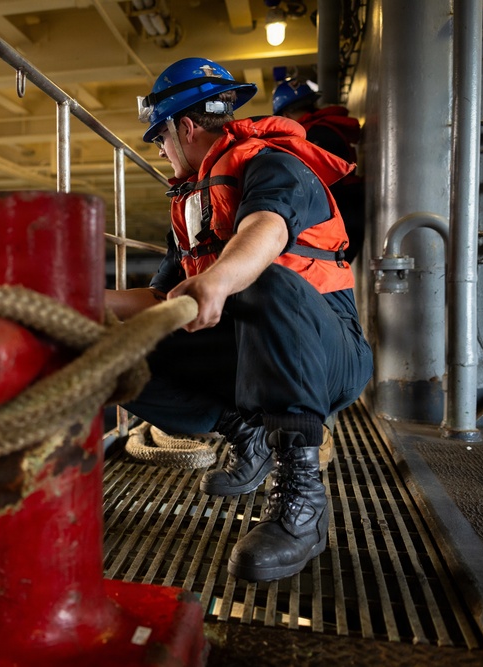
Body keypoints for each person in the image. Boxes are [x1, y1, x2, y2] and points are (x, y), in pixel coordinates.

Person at [107, 58, 373, 582]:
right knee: (108, 354)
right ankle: (246, 432)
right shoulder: (192, 203)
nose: (159, 151)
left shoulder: (272, 164)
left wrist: (221, 279)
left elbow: (266, 232)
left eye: (159, 138)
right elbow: (162, 297)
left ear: (183, 127)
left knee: (264, 278)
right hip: (251, 352)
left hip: (326, 354)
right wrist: (85, 302)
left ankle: (302, 502)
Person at [272, 79, 366, 263]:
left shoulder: (313, 135)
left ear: (286, 114)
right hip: (347, 213)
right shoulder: (324, 129)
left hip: (337, 217)